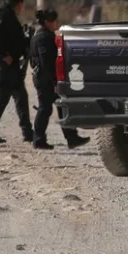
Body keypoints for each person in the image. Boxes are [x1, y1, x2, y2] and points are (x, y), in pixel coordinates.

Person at [29, 8, 91, 151]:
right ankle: (39, 139)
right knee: (46, 109)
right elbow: (46, 63)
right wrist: (55, 83)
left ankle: (71, 137)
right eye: (54, 21)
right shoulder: (43, 38)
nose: (56, 23)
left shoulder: (43, 35)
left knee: (61, 107)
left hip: (44, 78)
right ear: (47, 22)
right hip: (46, 79)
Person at [0, 0, 34, 144]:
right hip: (5, 63)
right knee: (2, 96)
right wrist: (4, 54)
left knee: (21, 97)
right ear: (18, 4)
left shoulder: (9, 15)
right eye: (22, 5)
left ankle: (28, 133)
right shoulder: (4, 15)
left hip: (13, 63)